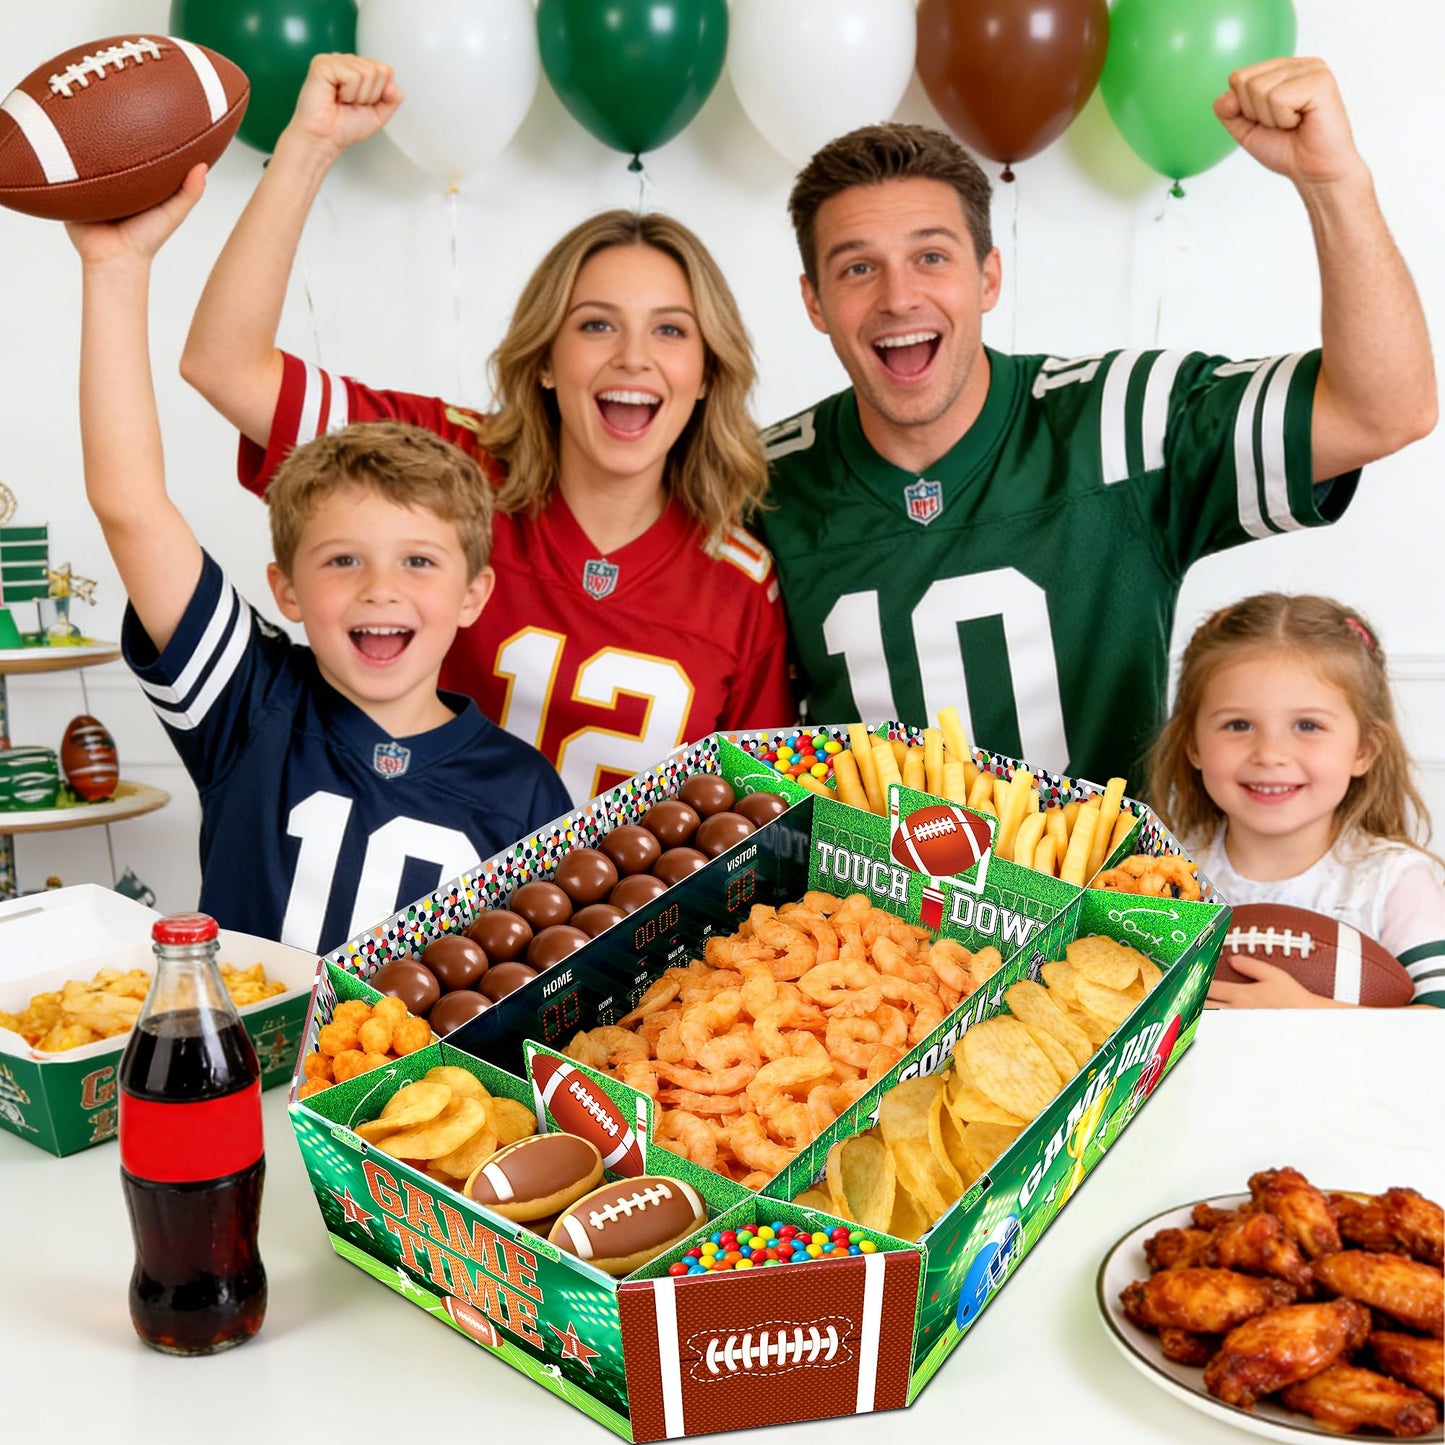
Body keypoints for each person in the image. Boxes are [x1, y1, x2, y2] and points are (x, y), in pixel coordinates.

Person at [760, 58, 1436, 792]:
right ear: (814, 301)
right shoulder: (759, 484)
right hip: (858, 873)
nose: (899, 297)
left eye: (931, 256)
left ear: (988, 277)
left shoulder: (1119, 419)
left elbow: (1384, 411)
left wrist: (1334, 183)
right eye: (857, 268)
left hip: (1111, 869)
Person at [182, 56, 794, 806]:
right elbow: (223, 365)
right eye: (595, 325)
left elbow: (757, 822)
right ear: (545, 360)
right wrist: (308, 145)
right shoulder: (442, 463)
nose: (633, 357)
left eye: (670, 330)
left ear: (705, 373)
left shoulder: (739, 583)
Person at [66, 166, 570, 953]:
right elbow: (131, 507)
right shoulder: (250, 702)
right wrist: (115, 269)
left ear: (474, 593)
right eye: (342, 561)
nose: (380, 589)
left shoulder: (524, 788)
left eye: (417, 562)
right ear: (287, 589)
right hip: (242, 1041)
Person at [1148, 593, 1445, 1009]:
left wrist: (1302, 1012)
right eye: (1238, 724)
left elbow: (1436, 1021)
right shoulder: (1166, 873)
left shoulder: (1395, 882)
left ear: (1364, 750)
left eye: (1307, 725)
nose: (1270, 754)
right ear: (1192, 744)